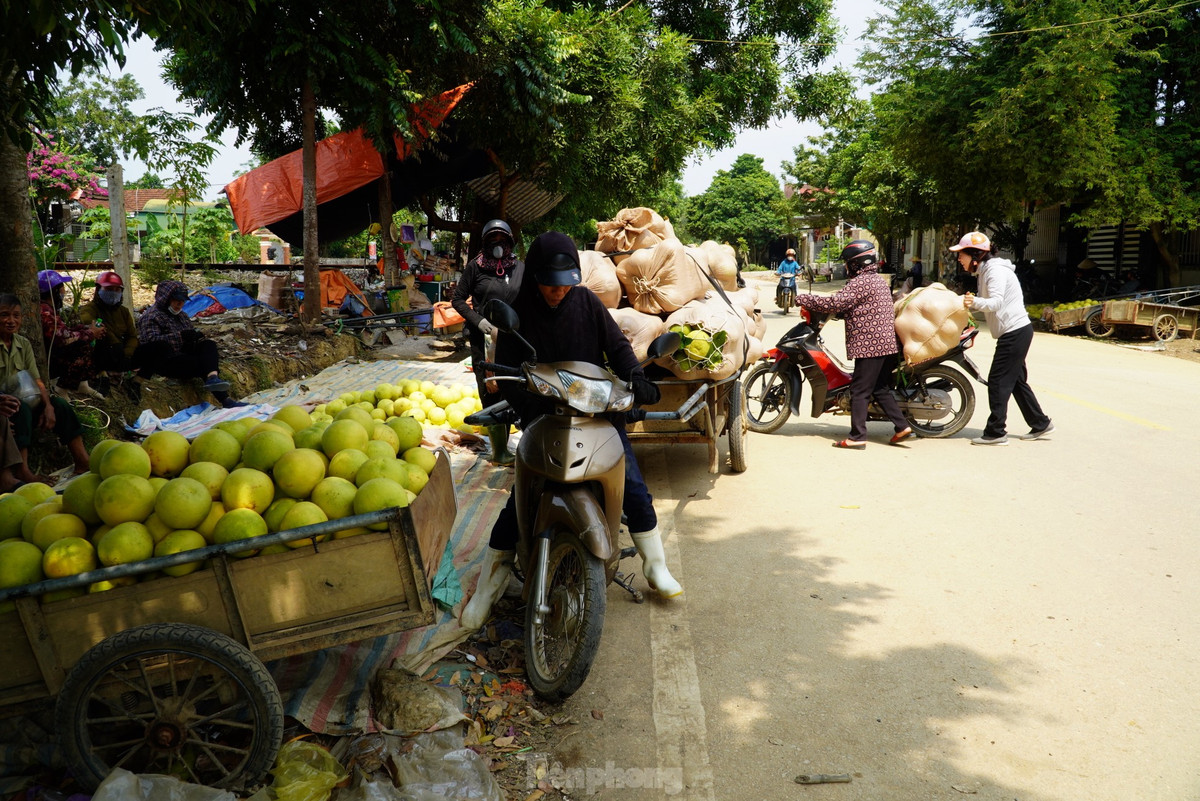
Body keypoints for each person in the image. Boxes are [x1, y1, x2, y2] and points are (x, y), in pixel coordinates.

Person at [459, 232, 681, 630]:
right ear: (535, 277)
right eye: (549, 283)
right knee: (519, 500)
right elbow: (507, 372)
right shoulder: (517, 308)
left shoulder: (588, 304)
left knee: (631, 484)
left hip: (596, 414)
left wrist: (636, 378)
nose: (557, 291)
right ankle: (487, 592)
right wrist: (527, 404)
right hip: (543, 415)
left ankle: (655, 566)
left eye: (565, 283)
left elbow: (618, 348)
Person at [792, 240, 913, 449]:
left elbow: (836, 303)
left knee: (859, 390)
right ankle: (902, 426)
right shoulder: (877, 281)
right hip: (886, 344)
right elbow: (855, 307)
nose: (847, 267)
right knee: (879, 387)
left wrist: (805, 298)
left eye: (848, 263)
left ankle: (858, 437)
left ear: (857, 263)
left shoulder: (861, 283)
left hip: (871, 345)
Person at [955, 232, 1053, 445]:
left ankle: (996, 432)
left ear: (975, 255)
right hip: (1016, 331)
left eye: (961, 255)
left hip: (1015, 332)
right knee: (1016, 381)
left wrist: (973, 302)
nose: (959, 260)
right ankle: (1040, 422)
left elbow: (996, 302)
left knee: (998, 381)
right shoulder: (985, 271)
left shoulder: (995, 271)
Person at [451, 219, 526, 464]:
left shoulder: (519, 268)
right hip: (483, 341)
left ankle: (524, 443)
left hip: (514, 339)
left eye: (501, 240)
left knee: (515, 386)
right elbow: (458, 299)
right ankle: (500, 450)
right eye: (492, 240)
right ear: (485, 244)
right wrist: (479, 321)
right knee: (490, 390)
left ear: (509, 242)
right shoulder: (476, 267)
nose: (497, 245)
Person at [0, 293, 90, 475]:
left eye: (16, 315)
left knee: (60, 406)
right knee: (21, 408)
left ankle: (82, 461)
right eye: (4, 315)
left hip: (23, 403)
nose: (11, 320)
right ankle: (23, 470)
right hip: (6, 409)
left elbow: (36, 379)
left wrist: (48, 405)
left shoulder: (23, 344)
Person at [135, 280, 243, 408]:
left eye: (182, 301)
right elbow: (151, 342)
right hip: (165, 360)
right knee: (200, 364)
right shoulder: (151, 316)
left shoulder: (182, 316)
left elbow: (189, 334)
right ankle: (225, 400)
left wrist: (195, 337)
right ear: (166, 298)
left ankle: (213, 378)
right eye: (176, 300)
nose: (180, 304)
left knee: (208, 345)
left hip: (183, 352)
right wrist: (180, 336)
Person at [37, 270, 104, 398]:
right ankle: (61, 389)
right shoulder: (45, 311)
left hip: (52, 354)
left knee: (86, 339)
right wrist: (90, 333)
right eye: (62, 288)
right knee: (82, 344)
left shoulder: (49, 309)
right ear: (55, 291)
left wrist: (86, 329)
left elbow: (64, 331)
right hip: (49, 360)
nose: (64, 292)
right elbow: (62, 338)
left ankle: (82, 385)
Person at [77, 271, 139, 377]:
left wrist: (127, 354)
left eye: (117, 290)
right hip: (105, 352)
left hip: (123, 355)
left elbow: (132, 336)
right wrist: (114, 343)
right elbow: (89, 321)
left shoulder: (123, 311)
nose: (113, 293)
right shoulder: (90, 308)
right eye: (109, 289)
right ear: (98, 290)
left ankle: (135, 379)